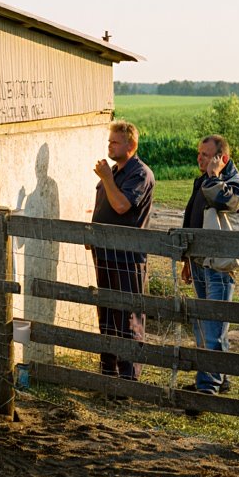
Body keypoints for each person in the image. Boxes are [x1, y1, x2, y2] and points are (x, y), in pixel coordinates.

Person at [181, 134, 239, 397]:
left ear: (223, 159)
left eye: (207, 155)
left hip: (219, 266)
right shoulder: (202, 181)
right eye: (199, 154)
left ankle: (207, 388)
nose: (200, 159)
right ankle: (219, 379)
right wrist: (187, 258)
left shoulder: (235, 183)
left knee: (213, 329)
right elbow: (192, 219)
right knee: (204, 326)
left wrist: (213, 175)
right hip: (200, 262)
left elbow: (222, 201)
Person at [90, 121, 155, 380]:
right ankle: (109, 373)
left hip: (127, 256)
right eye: (109, 141)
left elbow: (121, 206)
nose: (110, 146)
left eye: (115, 142)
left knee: (127, 316)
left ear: (131, 145)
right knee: (107, 313)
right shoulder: (115, 172)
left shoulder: (139, 173)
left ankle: (128, 378)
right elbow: (106, 206)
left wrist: (106, 178)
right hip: (105, 252)